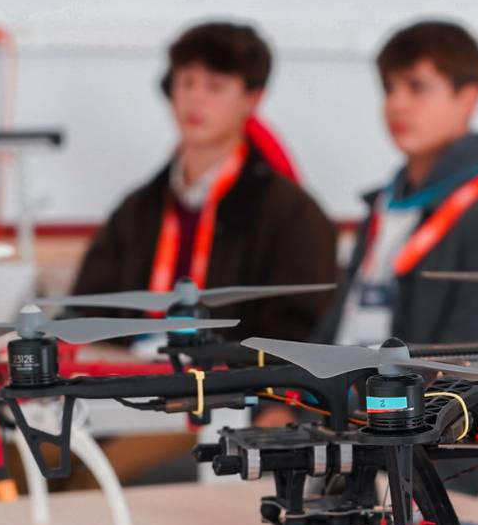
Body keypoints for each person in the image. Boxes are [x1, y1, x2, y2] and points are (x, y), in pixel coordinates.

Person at [70, 21, 337, 342]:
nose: (195, 97)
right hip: (132, 382)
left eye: (215, 85)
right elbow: (84, 311)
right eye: (186, 81)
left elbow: (298, 331)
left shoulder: (293, 214)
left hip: (234, 388)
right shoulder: (138, 209)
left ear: (251, 98)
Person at [319, 19, 478, 348]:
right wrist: (288, 393)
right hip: (344, 394)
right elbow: (337, 329)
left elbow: (472, 362)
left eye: (416, 87)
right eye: (389, 88)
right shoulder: (384, 204)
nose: (397, 104)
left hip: (410, 398)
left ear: (468, 99)